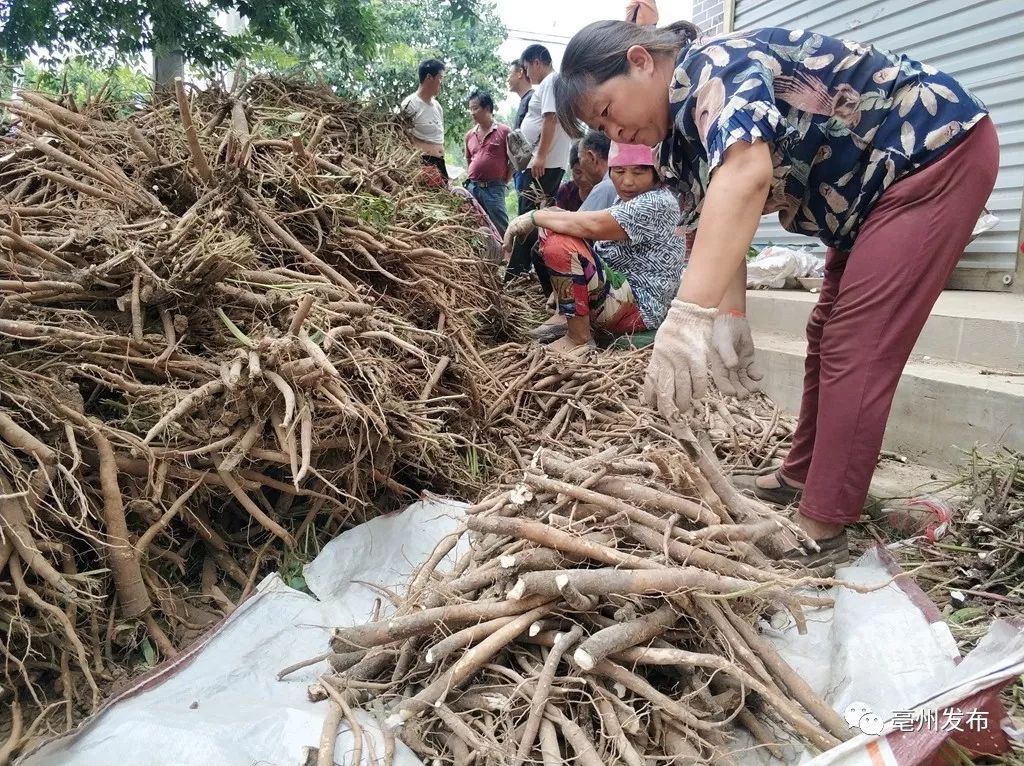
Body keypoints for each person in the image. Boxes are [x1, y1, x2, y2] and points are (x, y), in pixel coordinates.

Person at [554, 22, 997, 569]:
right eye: (602, 128)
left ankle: (824, 525)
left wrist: (687, 314)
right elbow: (719, 212)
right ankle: (801, 476)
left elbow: (747, 171)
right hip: (868, 195)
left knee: (856, 343)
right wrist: (731, 312)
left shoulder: (715, 65)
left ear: (641, 60)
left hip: (931, 151)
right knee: (827, 331)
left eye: (607, 111)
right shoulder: (677, 141)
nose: (616, 134)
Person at [503, 142, 685, 353]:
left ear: (656, 173)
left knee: (559, 242)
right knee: (552, 224)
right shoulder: (629, 198)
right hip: (621, 292)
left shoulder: (656, 202)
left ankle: (578, 338)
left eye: (638, 172)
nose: (627, 181)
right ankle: (566, 314)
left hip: (639, 307)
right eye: (619, 171)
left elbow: (592, 225)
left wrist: (533, 217)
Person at [509, 44, 572, 285]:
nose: (527, 74)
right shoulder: (556, 83)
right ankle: (522, 273)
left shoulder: (551, 82)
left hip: (543, 165)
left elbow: (550, 118)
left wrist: (541, 156)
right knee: (531, 216)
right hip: (542, 164)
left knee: (529, 219)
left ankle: (516, 275)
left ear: (537, 62)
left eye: (526, 68)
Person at [464, 89, 512, 234]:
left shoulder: (504, 131)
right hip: (473, 188)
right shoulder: (469, 135)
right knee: (474, 225)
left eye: (475, 108)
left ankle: (507, 255)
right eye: (470, 109)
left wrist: (505, 179)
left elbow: (514, 160)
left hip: (494, 188)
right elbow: (469, 159)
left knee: (500, 226)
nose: (472, 112)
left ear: (487, 108)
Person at [401, 58, 447, 182]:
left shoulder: (438, 107)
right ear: (429, 77)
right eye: (440, 78)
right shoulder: (410, 104)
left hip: (440, 164)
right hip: (422, 164)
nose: (441, 83)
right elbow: (402, 139)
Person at [508, 59, 535, 195]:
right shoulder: (524, 100)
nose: (508, 79)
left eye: (509, 74)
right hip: (520, 168)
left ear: (520, 73)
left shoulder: (533, 99)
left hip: (528, 167)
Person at [576, 130, 617, 212]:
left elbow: (579, 223)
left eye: (580, 158)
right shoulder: (616, 182)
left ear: (592, 157)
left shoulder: (604, 188)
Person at [556, 143, 589, 212]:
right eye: (578, 172)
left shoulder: (606, 191)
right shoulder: (565, 191)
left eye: (589, 172)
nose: (584, 178)